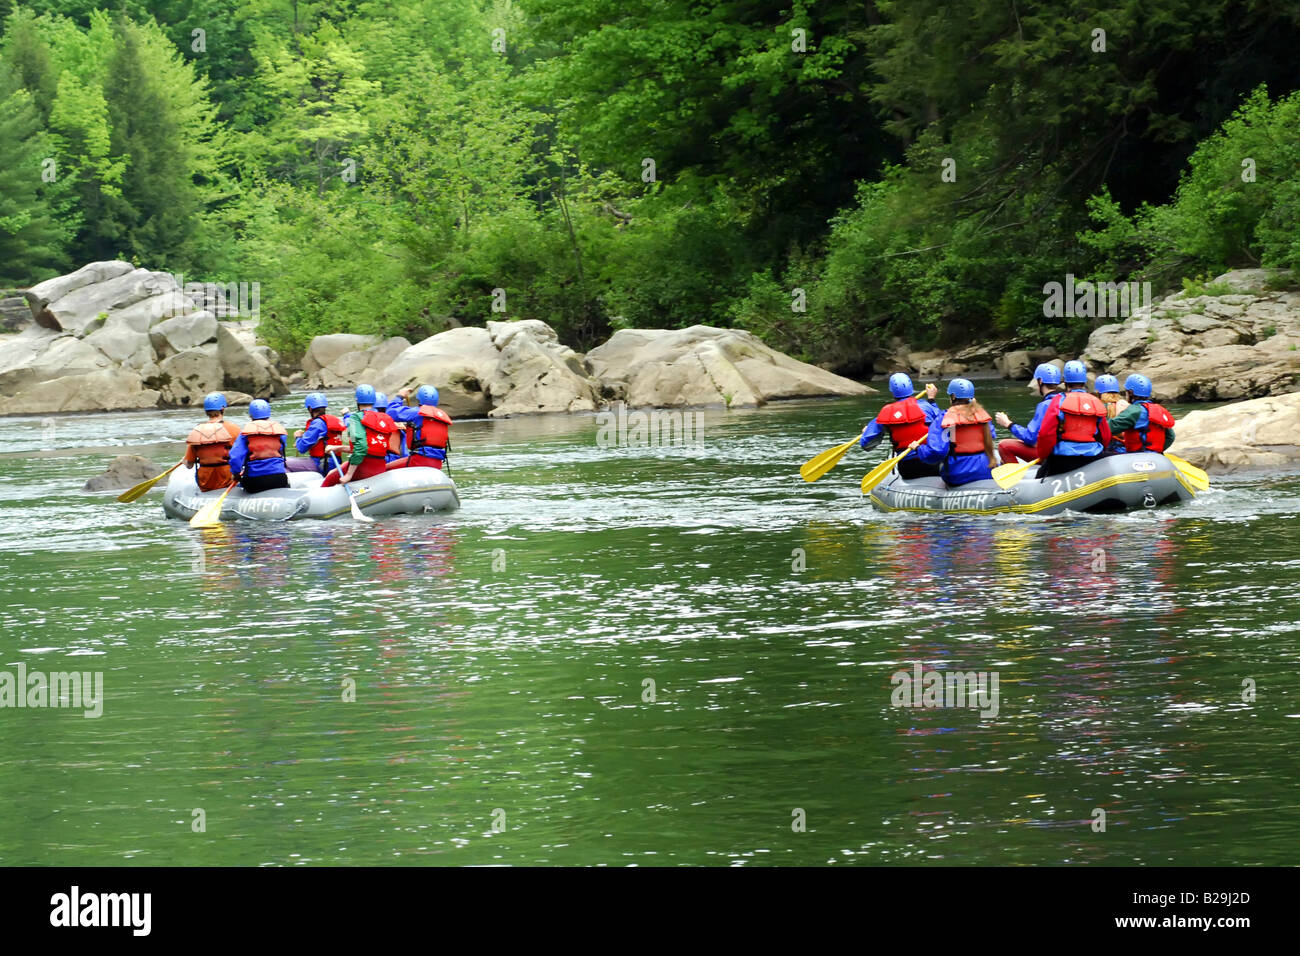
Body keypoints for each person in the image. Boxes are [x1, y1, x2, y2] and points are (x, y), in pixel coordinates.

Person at [910, 378, 997, 486]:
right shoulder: (981, 415)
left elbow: (937, 452)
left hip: (958, 475)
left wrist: (919, 449)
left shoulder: (946, 418)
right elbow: (992, 435)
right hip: (986, 470)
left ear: (953, 396)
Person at [1035, 360, 1111, 477]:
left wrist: (1043, 456)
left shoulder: (1058, 400)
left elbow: (1046, 434)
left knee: (1039, 475)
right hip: (1092, 458)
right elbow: (1105, 436)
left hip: (1063, 459)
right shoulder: (1095, 401)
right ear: (1084, 381)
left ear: (1065, 381)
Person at [859, 373, 943, 479]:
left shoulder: (885, 414)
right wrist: (931, 399)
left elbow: (866, 445)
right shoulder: (927, 406)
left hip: (907, 468)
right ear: (911, 387)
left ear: (892, 391)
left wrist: (865, 433)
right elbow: (942, 422)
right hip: (933, 462)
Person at [321, 384, 399, 487]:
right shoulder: (385, 418)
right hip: (380, 468)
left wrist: (348, 475)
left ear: (357, 401)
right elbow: (368, 447)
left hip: (363, 468)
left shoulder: (355, 418)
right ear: (373, 400)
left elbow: (360, 447)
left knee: (330, 476)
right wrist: (337, 448)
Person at [995, 363, 1064, 464]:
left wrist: (1008, 424)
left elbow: (1030, 438)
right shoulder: (1065, 400)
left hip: (1052, 455)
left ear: (1040, 381)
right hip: (1065, 450)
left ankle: (1016, 479)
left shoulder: (1045, 405)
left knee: (1004, 445)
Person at [228, 399, 290, 493]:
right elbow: (280, 449)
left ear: (251, 415)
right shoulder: (279, 432)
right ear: (268, 414)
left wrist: (236, 474)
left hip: (255, 480)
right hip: (279, 478)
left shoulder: (245, 434)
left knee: (241, 485)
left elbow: (235, 457)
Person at [386, 385, 453, 470]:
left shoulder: (417, 412)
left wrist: (400, 396)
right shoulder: (440, 416)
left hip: (419, 460)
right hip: (437, 463)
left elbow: (390, 412)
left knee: (385, 468)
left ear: (419, 399)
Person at [184, 392, 242, 491]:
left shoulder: (197, 431)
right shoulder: (234, 429)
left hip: (206, 483)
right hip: (228, 480)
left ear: (206, 412)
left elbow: (189, 465)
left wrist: (184, 461)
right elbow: (242, 456)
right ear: (222, 409)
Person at [1109, 374, 1176, 453]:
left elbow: (1107, 429)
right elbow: (1170, 436)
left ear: (1130, 393)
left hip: (1137, 457)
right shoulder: (1159, 410)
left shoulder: (1133, 411)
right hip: (1157, 456)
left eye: (1126, 392)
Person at [289, 392, 347, 474]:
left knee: (284, 463)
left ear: (310, 409)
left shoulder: (317, 423)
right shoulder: (333, 420)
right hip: (336, 462)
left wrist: (297, 437)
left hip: (321, 463)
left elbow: (302, 448)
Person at [1094, 373, 1128, 452]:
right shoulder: (1125, 405)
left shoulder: (1098, 406)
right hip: (1125, 448)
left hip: (1104, 449)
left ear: (1098, 392)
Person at [374, 392, 407, 463]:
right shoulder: (398, 427)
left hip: (377, 461)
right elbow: (404, 452)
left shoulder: (367, 423)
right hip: (395, 461)